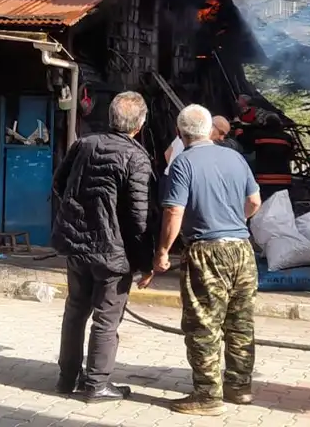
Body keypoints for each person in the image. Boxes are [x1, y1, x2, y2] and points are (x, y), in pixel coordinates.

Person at [152, 104, 261, 416]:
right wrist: (232, 222)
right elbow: (254, 202)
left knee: (203, 324)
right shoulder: (235, 157)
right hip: (241, 247)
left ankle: (207, 396)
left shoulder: (183, 163)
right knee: (240, 322)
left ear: (180, 132)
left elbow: (174, 211)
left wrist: (162, 251)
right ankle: (240, 388)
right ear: (210, 130)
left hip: (206, 251)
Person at [52, 91, 153, 402]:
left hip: (77, 244)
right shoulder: (137, 157)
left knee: (75, 310)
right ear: (140, 124)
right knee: (106, 318)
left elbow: (59, 183)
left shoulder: (84, 144)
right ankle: (96, 384)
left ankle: (67, 378)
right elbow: (139, 218)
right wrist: (144, 262)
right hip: (112, 251)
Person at [246, 112, 294, 200]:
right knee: (283, 205)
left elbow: (246, 145)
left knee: (265, 207)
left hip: (264, 179)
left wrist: (239, 131)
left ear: (265, 123)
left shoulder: (258, 135)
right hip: (284, 179)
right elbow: (291, 154)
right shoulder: (287, 138)